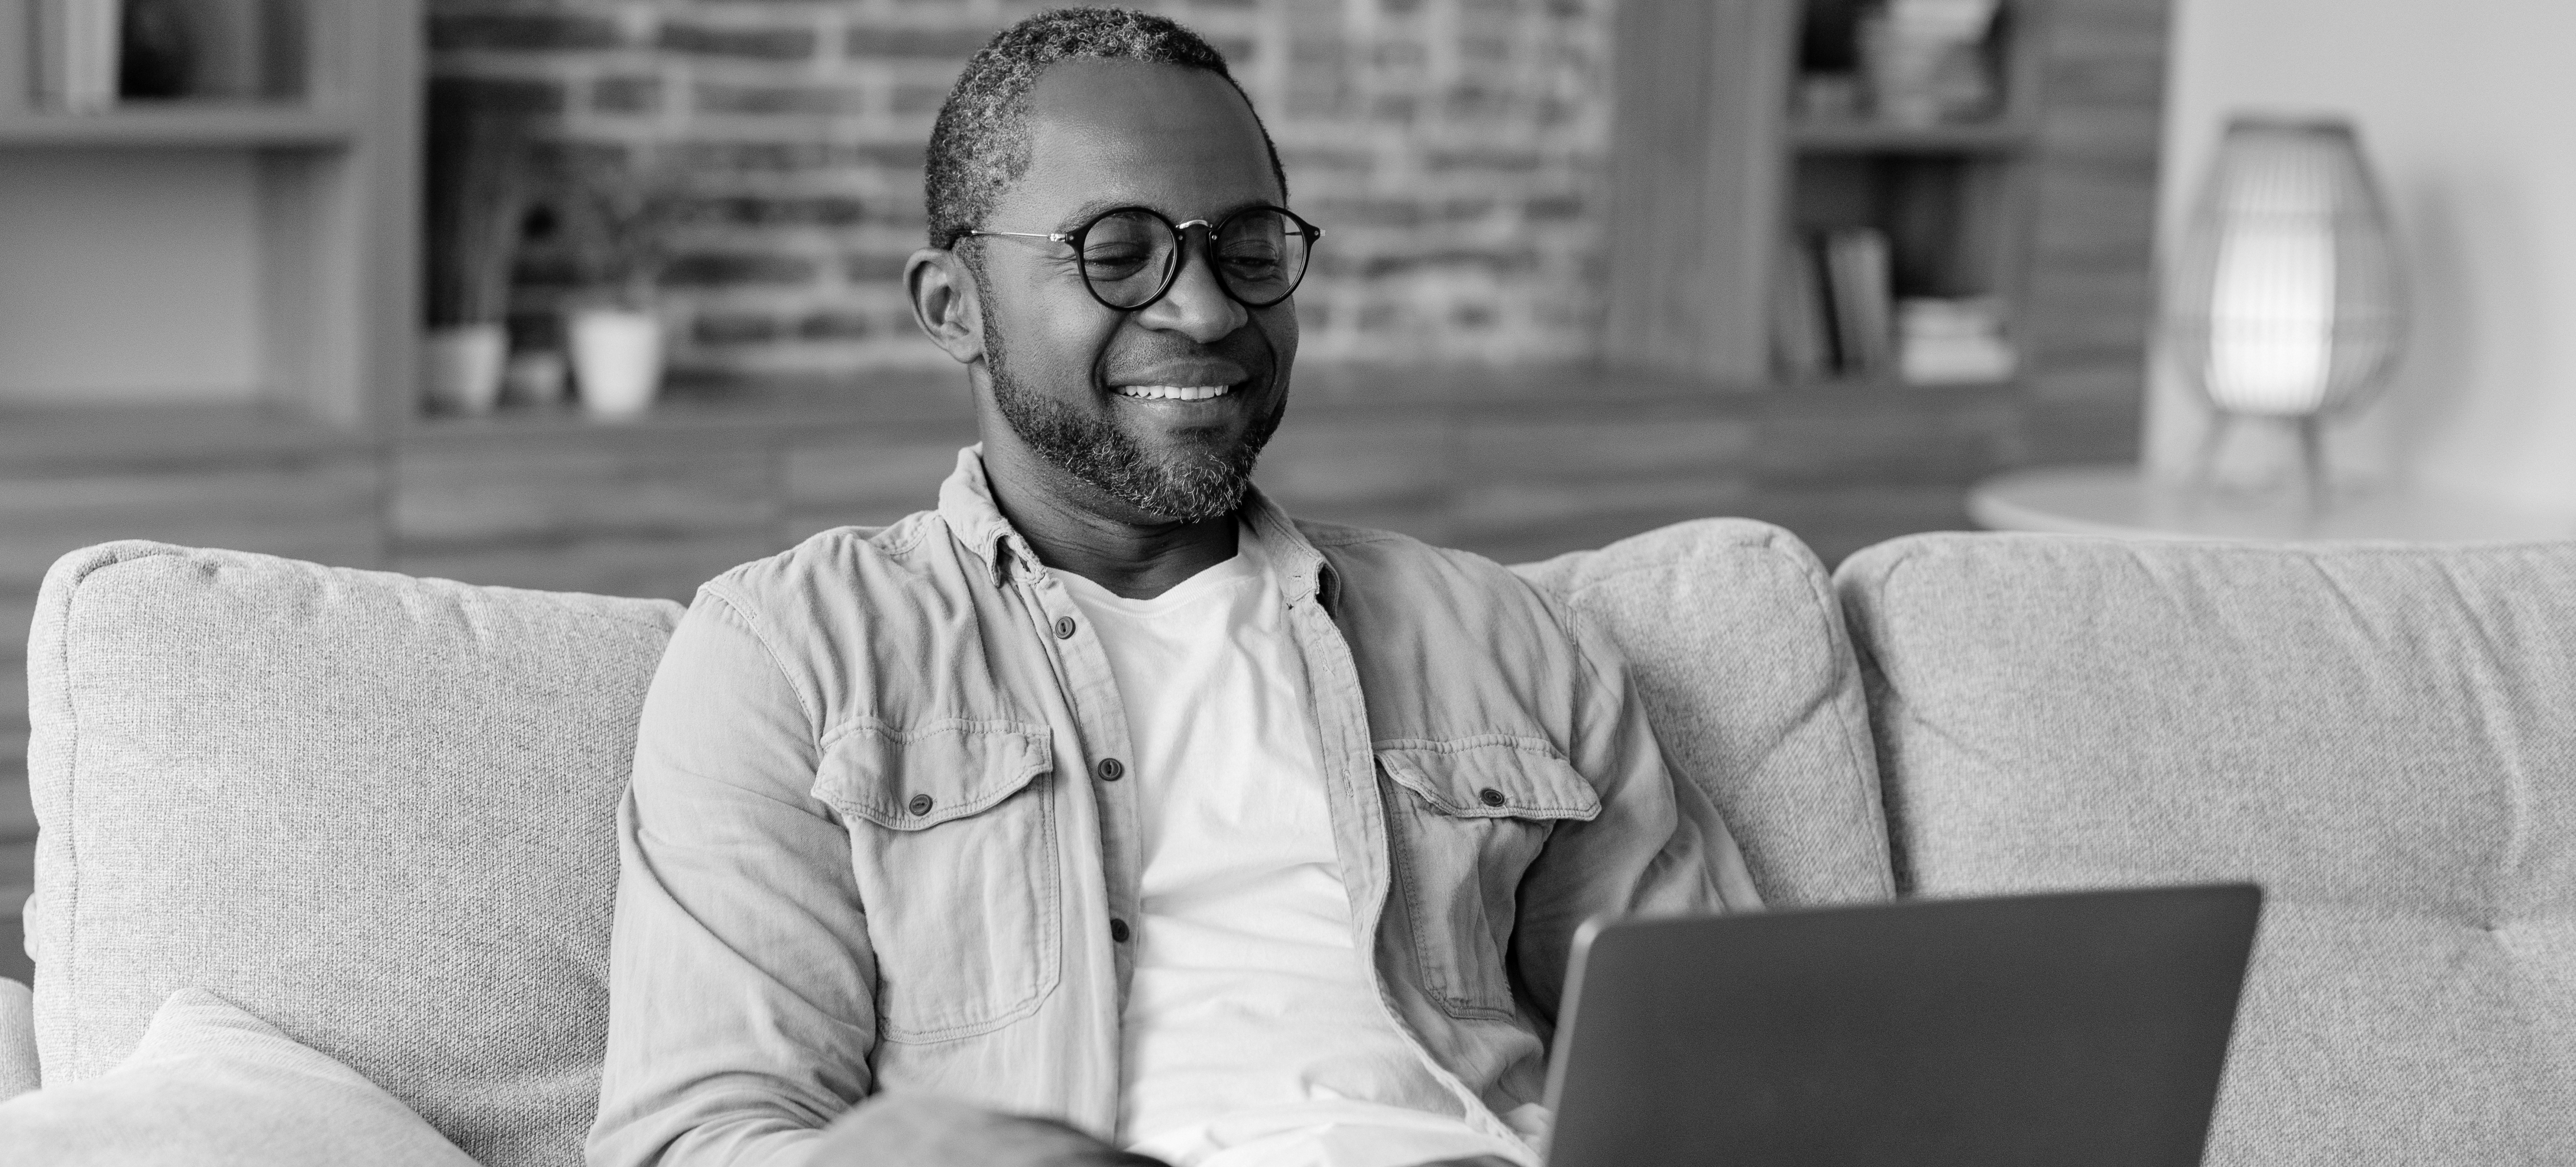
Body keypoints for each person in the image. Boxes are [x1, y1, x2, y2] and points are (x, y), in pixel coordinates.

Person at [587, 9, 1760, 1167]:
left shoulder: (1504, 637)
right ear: (955, 308)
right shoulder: (798, 650)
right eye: (1117, 251)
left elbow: (1734, 1061)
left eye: (1248, 253)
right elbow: (697, 1135)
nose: (1204, 311)